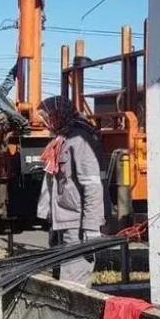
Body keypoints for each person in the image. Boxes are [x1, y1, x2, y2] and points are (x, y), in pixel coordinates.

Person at [36, 95, 106, 287]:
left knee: (73, 285)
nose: (45, 123)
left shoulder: (79, 140)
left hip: (78, 224)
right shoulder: (63, 138)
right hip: (64, 221)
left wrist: (91, 229)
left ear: (58, 115)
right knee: (64, 282)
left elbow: (92, 186)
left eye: (46, 118)